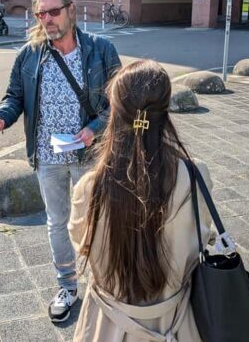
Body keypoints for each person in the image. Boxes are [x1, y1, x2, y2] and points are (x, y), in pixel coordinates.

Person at [0, 0, 121, 322]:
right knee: (57, 223)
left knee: (97, 222)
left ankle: (104, 283)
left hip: (90, 154)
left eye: (53, 12)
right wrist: (2, 118)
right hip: (48, 156)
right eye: (41, 14)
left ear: (71, 10)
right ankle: (68, 287)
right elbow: (14, 97)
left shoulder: (101, 50)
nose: (47, 20)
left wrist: (94, 129)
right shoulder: (30, 54)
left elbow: (118, 102)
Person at [69, 59, 214, 342]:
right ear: (165, 109)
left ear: (116, 111)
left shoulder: (90, 187)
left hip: (107, 327)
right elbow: (203, 236)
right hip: (178, 323)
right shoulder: (195, 175)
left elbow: (80, 243)